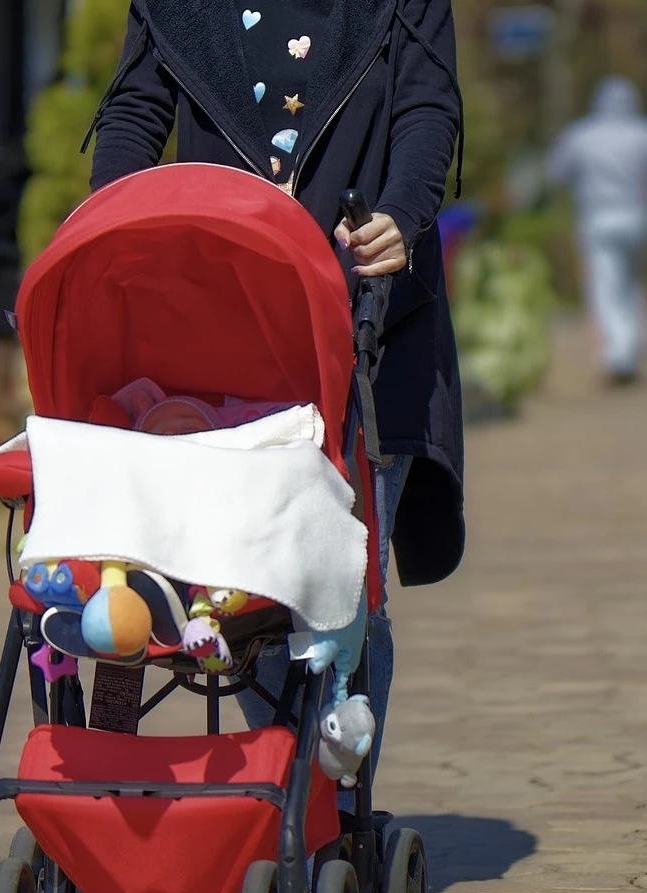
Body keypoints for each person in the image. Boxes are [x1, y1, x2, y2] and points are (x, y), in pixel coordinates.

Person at [87, 0, 466, 807]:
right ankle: (268, 807)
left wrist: (403, 215)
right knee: (236, 577)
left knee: (337, 583)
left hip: (370, 320)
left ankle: (317, 806)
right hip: (218, 322)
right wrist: (112, 219)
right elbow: (135, 108)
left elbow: (427, 107)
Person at [547, 77, 647, 385]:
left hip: (596, 215)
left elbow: (558, 173)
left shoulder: (581, 134)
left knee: (605, 284)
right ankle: (632, 348)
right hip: (637, 213)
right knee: (635, 284)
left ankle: (617, 355)